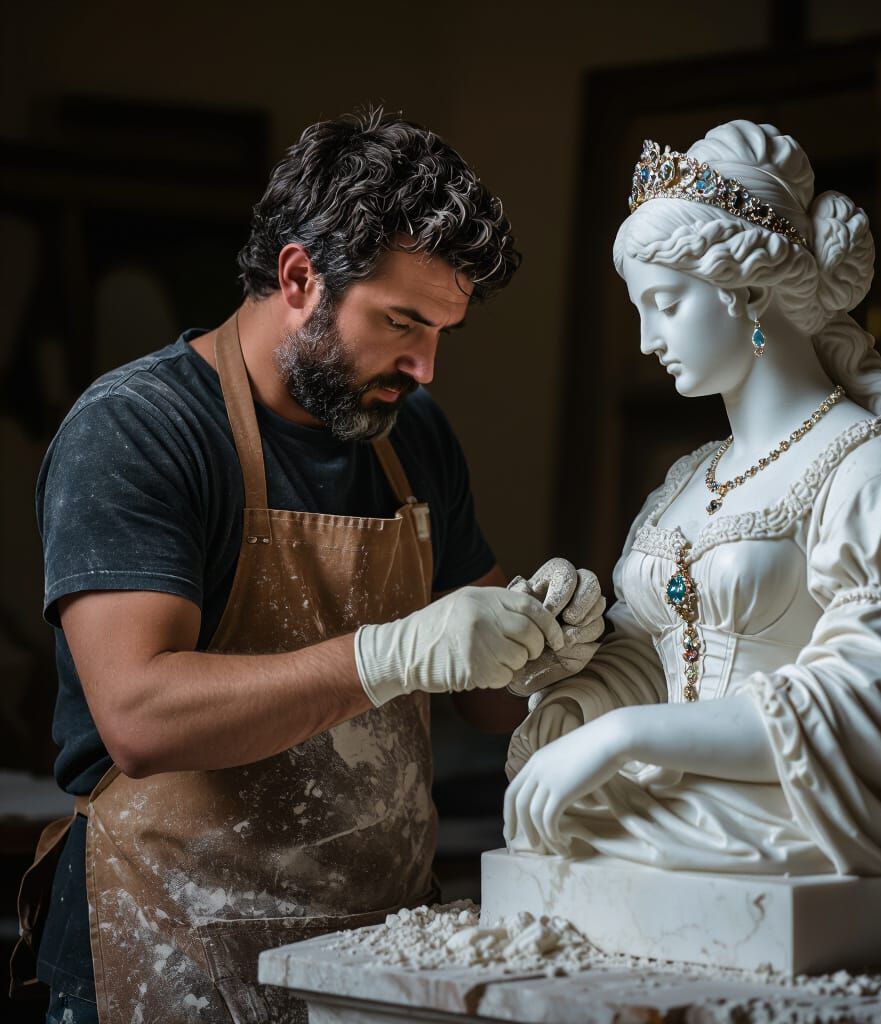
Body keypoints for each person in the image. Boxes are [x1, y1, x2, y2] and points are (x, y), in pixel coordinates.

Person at [16, 111, 602, 1024]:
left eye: (443, 330)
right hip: (171, 941)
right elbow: (139, 715)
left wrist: (546, 637)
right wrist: (390, 656)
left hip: (376, 947)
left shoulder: (412, 436)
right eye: (402, 321)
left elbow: (488, 698)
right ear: (298, 277)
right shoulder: (138, 429)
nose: (426, 366)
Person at [504, 121, 881, 877]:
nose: (645, 340)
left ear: (751, 293)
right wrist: (572, 667)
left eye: (664, 303)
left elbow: (877, 700)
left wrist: (629, 737)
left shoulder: (877, 467)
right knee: (570, 829)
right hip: (671, 804)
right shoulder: (687, 483)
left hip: (798, 812)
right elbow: (648, 661)